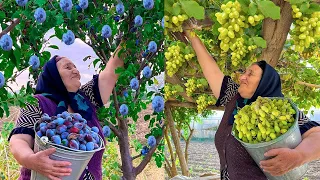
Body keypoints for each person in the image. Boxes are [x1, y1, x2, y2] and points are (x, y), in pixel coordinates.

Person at [183, 30, 320, 180]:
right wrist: (191, 35)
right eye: (244, 72)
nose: (242, 77)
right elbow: (212, 72)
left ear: (264, 82)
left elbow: (316, 134)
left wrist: (299, 156)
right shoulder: (233, 99)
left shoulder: (281, 111)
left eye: (250, 74)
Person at [8, 42, 125, 180]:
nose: (75, 71)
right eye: (67, 67)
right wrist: (31, 160)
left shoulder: (86, 100)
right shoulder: (37, 103)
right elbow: (19, 140)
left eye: (75, 67)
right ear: (54, 76)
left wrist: (131, 34)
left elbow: (112, 70)